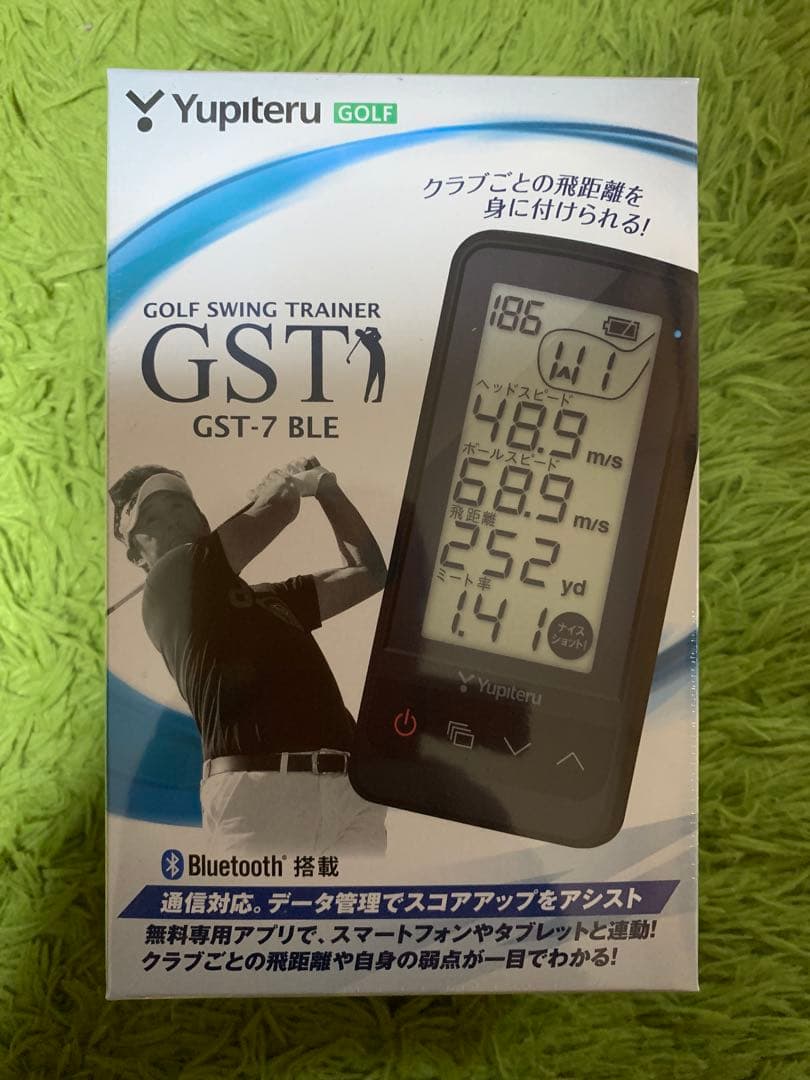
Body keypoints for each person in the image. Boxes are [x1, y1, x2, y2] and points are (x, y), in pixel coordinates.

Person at [108, 458, 388, 854]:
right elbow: (281, 507)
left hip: (350, 792)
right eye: (151, 518)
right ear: (137, 556)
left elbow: (369, 573)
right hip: (259, 794)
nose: (171, 519)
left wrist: (327, 487)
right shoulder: (168, 579)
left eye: (179, 506)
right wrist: (284, 485)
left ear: (204, 522)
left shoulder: (272, 599)